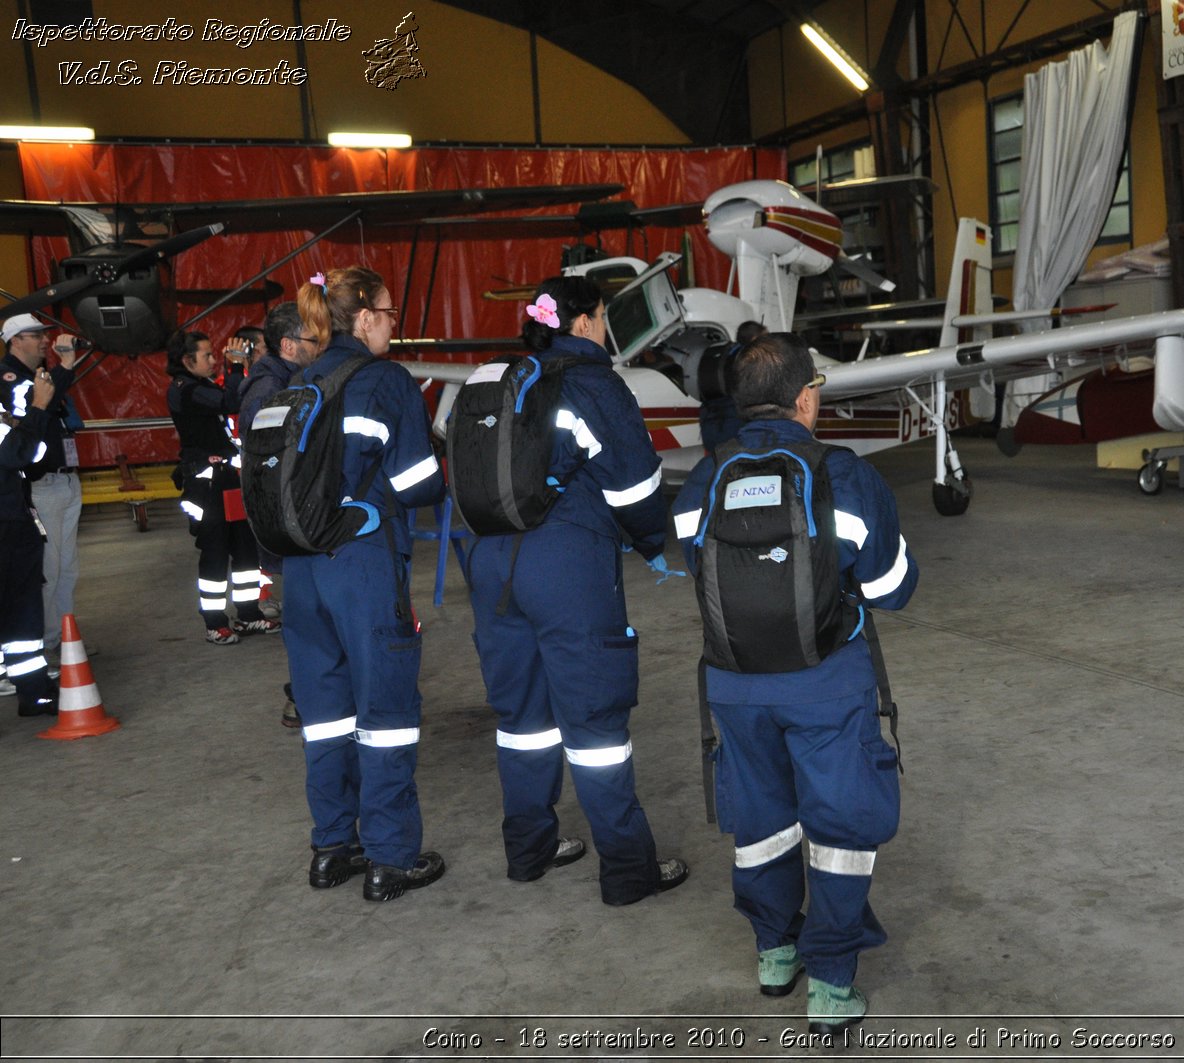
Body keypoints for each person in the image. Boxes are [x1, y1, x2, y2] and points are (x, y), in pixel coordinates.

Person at [671, 332, 917, 1035]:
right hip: (824, 681)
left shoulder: (703, 477)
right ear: (807, 398)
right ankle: (833, 983)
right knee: (839, 827)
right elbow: (893, 588)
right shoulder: (843, 474)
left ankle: (775, 953)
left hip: (734, 681)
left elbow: (696, 561)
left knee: (762, 822)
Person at [465, 277, 689, 906]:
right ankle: (626, 872)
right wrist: (650, 545)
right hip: (565, 564)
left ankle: (530, 852)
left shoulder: (497, 379)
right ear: (587, 322)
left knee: (522, 722)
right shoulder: (593, 384)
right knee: (594, 728)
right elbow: (639, 490)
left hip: (489, 558)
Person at [285, 266, 448, 902]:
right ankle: (390, 858)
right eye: (388, 311)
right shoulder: (385, 382)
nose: (393, 323)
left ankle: (332, 849)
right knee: (385, 714)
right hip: (362, 562)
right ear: (363, 319)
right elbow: (417, 486)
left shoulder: (298, 383)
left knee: (324, 716)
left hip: (300, 568)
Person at [166, 330, 277, 643]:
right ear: (187, 361)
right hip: (207, 486)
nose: (213, 360)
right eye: (207, 356)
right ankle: (214, 622)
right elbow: (230, 401)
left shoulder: (198, 385)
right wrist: (235, 367)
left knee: (245, 552)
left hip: (229, 479)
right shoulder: (184, 389)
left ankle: (248, 615)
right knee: (215, 554)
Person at [240, 304, 319, 727]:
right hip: (291, 528)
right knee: (309, 624)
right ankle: (304, 699)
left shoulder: (281, 380)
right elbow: (277, 465)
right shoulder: (270, 392)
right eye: (313, 339)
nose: (321, 346)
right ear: (289, 345)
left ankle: (305, 697)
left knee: (311, 622)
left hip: (292, 526)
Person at [1, 315, 83, 661]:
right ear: (15, 340)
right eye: (36, 336)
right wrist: (62, 369)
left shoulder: (40, 376)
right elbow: (35, 411)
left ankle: (62, 638)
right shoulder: (9, 380)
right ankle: (44, 643)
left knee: (66, 568)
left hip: (63, 477)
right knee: (47, 570)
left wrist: (61, 368)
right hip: (38, 485)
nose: (45, 341)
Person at [0, 360, 60, 717]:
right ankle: (34, 692)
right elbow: (20, 455)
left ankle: (33, 690)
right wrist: (37, 407)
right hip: (7, 525)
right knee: (20, 613)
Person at [698, 319, 766, 453]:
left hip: (711, 420)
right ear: (755, 339)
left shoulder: (726, 353)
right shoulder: (751, 359)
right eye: (765, 338)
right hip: (735, 421)